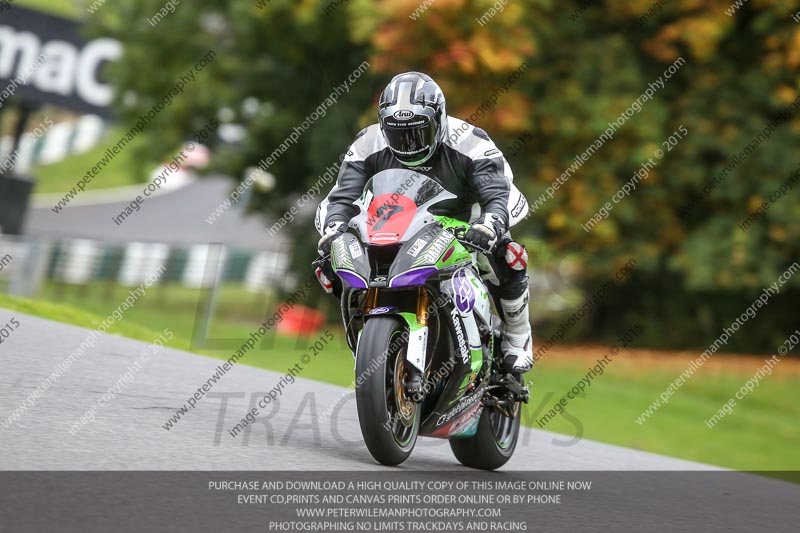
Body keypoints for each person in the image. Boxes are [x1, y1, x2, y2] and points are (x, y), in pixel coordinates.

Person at [315, 71, 532, 375]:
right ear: (383, 124)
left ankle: (518, 335)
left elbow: (497, 191)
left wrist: (489, 225)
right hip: (396, 225)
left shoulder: (470, 141)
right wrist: (334, 228)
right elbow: (342, 196)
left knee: (509, 255)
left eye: (417, 131)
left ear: (439, 119)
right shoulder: (367, 141)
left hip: (464, 225)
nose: (407, 142)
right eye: (397, 132)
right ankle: (370, 336)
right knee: (329, 262)